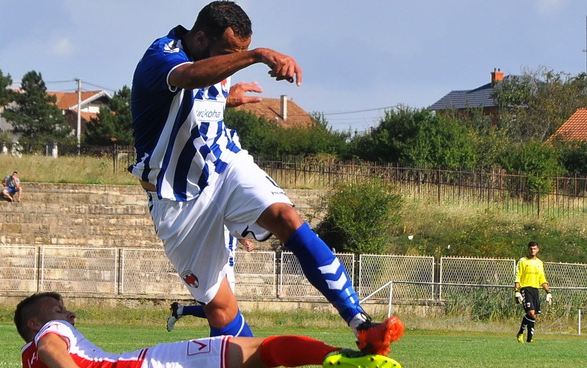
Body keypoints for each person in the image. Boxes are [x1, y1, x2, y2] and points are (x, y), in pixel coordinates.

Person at [129, 0, 402, 354]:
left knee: (285, 216)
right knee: (221, 309)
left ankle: (362, 325)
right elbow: (190, 78)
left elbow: (201, 93)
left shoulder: (211, 59)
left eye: (241, 52)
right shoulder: (160, 57)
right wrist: (257, 55)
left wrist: (229, 97)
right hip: (177, 200)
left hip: (224, 166)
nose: (234, 61)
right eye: (230, 52)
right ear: (199, 40)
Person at [14, 292, 400, 368]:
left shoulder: (25, 360)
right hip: (153, 363)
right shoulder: (47, 331)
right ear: (35, 321)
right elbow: (50, 345)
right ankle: (342, 357)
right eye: (58, 308)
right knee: (260, 351)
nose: (69, 313)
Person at [167, 237, 254, 332]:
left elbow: (238, 232)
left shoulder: (233, 223)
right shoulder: (215, 223)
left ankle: (180, 310)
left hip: (228, 267)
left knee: (223, 308)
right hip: (219, 266)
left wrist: (246, 241)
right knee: (226, 308)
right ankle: (181, 311)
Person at [514, 241, 552, 343]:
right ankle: (520, 333)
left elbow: (542, 279)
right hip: (525, 289)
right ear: (528, 249)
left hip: (535, 289)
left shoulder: (539, 263)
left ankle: (529, 339)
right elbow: (518, 276)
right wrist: (517, 291)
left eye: (534, 249)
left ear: (538, 250)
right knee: (530, 312)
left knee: (534, 315)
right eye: (531, 249)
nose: (532, 250)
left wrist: (548, 292)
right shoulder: (522, 261)